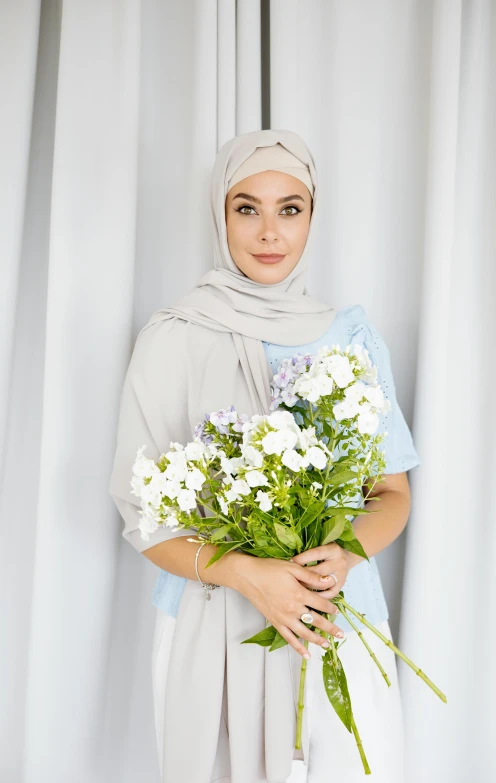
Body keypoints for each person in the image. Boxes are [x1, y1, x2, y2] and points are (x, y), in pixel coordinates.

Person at [109, 129, 420, 783]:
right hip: (215, 617)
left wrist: (345, 553)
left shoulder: (350, 336)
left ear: (313, 215)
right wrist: (252, 575)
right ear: (220, 217)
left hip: (340, 615)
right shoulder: (176, 336)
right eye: (246, 207)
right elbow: (144, 516)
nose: (269, 232)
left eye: (291, 207)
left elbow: (390, 493)